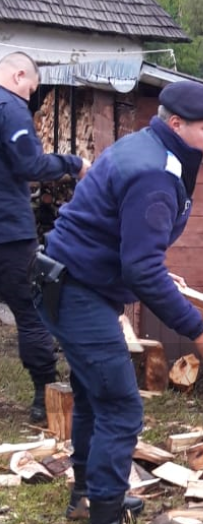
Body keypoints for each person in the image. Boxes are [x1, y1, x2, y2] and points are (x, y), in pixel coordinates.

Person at [33, 80, 203, 524]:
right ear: (176, 124)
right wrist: (200, 331)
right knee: (120, 408)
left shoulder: (146, 146)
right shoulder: (155, 172)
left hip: (72, 281)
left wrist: (154, 273)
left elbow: (133, 248)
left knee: (92, 396)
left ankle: (89, 496)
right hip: (77, 291)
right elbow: (143, 269)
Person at [0, 51, 90, 423]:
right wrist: (75, 164)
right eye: (32, 90)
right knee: (30, 310)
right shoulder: (10, 107)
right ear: (19, 75)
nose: (31, 98)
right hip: (8, 232)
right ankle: (43, 395)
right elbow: (30, 165)